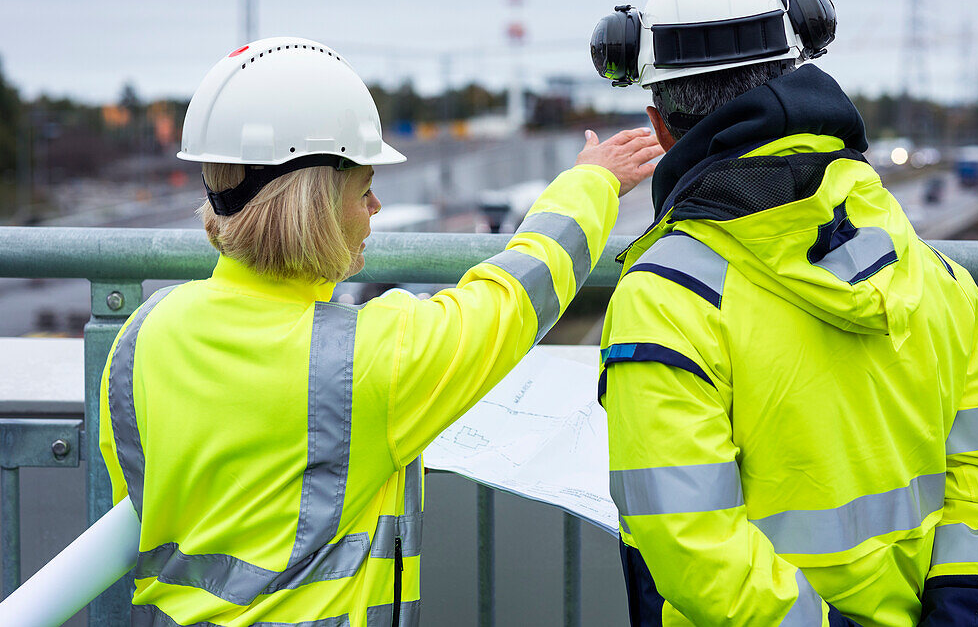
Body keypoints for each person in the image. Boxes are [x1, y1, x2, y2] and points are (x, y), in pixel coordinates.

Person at [98, 36, 662, 626]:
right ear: (313, 206)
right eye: (364, 187)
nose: (377, 207)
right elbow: (515, 296)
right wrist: (591, 184)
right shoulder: (362, 361)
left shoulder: (143, 334)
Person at [591, 0, 978, 626]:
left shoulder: (663, 300)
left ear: (660, 127)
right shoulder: (927, 270)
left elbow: (690, 545)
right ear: (795, 71)